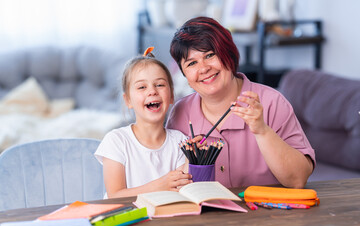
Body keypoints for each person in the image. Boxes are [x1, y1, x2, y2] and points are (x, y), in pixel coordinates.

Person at [166, 17, 315, 189]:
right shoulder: (181, 113)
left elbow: (298, 180)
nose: (204, 68)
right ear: (184, 75)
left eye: (210, 55)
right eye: (192, 63)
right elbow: (170, 181)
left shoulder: (272, 102)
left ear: (228, 53)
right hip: (204, 214)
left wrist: (262, 131)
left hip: (268, 213)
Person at [95, 48, 192, 198]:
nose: (152, 91)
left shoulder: (180, 141)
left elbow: (181, 189)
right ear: (128, 100)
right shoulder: (116, 141)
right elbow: (115, 195)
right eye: (142, 87)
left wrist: (193, 156)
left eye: (159, 85)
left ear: (171, 96)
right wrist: (161, 185)